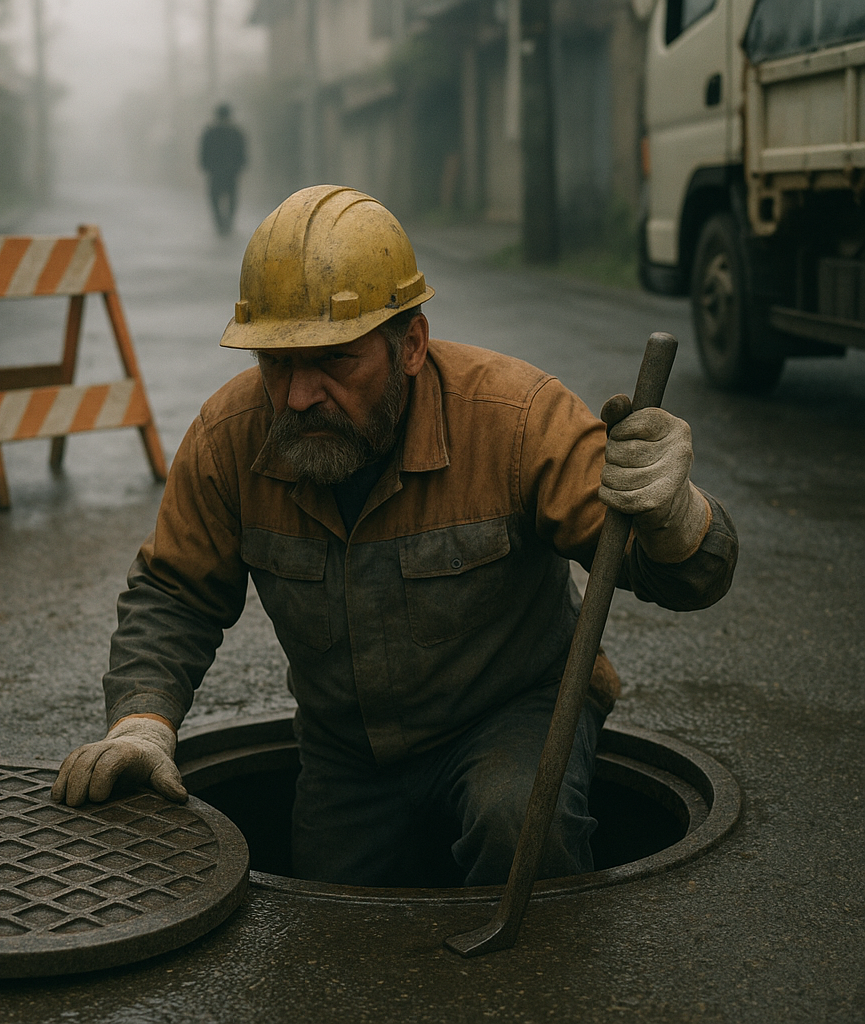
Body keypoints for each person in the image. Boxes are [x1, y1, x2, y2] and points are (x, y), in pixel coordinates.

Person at [53, 185, 737, 888]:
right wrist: (141, 723)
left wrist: (676, 517)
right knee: (324, 913)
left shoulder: (516, 420)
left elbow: (683, 574)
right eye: (278, 361)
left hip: (513, 714)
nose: (297, 395)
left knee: (519, 831)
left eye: (335, 360)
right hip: (346, 749)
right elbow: (175, 595)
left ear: (410, 344)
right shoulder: (231, 438)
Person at [199, 103, 247, 235]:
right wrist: (240, 167)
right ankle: (228, 223)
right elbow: (242, 152)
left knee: (214, 198)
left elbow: (204, 152)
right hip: (231, 172)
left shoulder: (210, 132)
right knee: (232, 198)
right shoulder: (235, 132)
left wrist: (206, 167)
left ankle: (220, 223)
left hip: (215, 172)